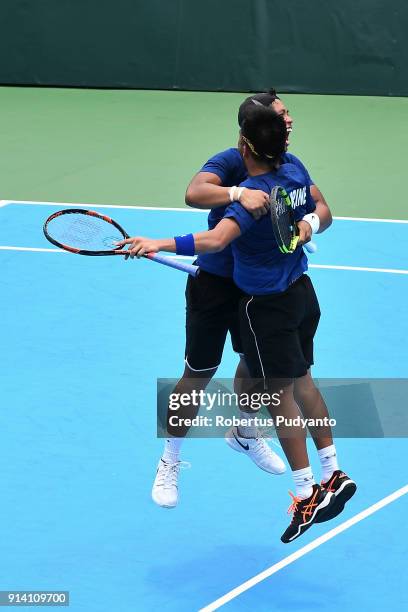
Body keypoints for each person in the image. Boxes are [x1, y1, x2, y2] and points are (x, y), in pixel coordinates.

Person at [118, 105, 356, 543]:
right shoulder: (232, 162)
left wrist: (307, 224)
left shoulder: (288, 163)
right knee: (197, 374)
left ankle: (245, 431)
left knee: (257, 370)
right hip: (214, 286)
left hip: (255, 295)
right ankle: (170, 460)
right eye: (282, 114)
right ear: (249, 133)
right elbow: (195, 196)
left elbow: (320, 204)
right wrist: (235, 194)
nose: (290, 120)